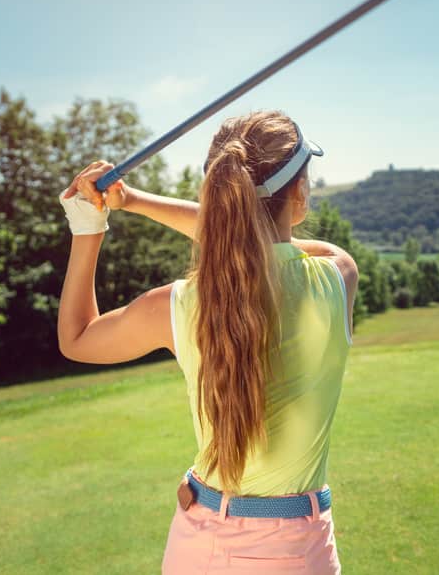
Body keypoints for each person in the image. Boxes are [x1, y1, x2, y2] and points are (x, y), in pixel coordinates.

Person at [58, 110, 358, 574]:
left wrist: (88, 225)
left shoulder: (175, 305)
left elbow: (77, 338)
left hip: (194, 544)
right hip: (295, 552)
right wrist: (135, 201)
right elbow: (248, 237)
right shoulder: (336, 276)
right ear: (298, 194)